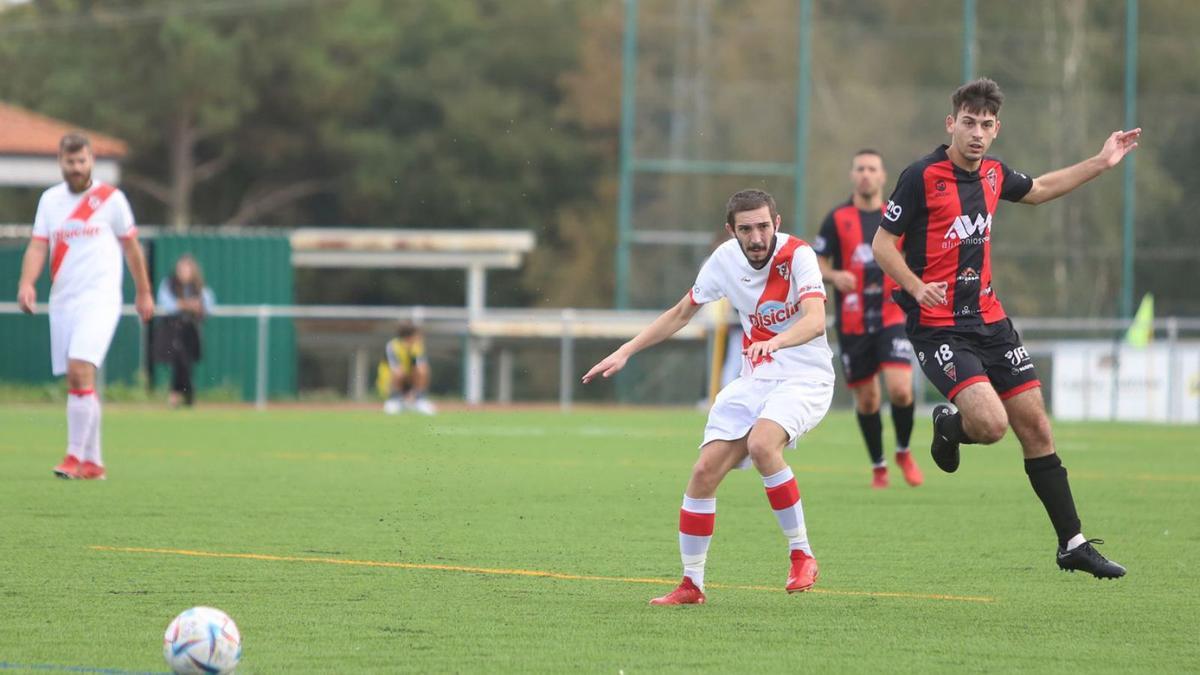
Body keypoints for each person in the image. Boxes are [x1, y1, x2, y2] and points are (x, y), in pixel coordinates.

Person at [872, 78, 1139, 578]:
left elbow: (1039, 190)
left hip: (991, 322)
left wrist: (1102, 162)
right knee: (991, 427)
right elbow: (883, 244)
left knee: (1036, 426)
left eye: (986, 125)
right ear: (951, 123)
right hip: (938, 327)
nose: (976, 133)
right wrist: (913, 285)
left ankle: (1072, 543)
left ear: (997, 130)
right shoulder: (920, 175)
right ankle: (949, 425)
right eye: (968, 123)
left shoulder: (994, 175)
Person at [583, 189, 834, 605]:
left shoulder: (798, 256)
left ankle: (801, 554)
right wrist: (626, 351)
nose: (756, 237)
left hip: (805, 377)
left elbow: (814, 321)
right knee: (703, 473)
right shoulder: (723, 261)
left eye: (764, 226)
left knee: (762, 443)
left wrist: (775, 343)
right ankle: (692, 584)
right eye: (746, 229)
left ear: (777, 222)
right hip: (755, 379)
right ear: (730, 231)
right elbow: (681, 313)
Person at [16, 132, 154, 480]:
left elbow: (132, 249)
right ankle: (94, 462)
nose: (76, 168)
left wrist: (144, 292)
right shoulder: (50, 201)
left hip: (100, 299)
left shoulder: (111, 199)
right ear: (60, 163)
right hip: (64, 301)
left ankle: (73, 457)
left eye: (81, 161)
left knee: (80, 368)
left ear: (91, 161)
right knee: (79, 380)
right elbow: (37, 246)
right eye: (70, 162)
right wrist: (27, 283)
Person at [814, 150, 923, 489]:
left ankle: (903, 451)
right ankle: (879, 465)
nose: (865, 174)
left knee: (901, 390)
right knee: (868, 400)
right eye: (859, 168)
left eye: (871, 169)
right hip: (853, 321)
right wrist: (834, 276)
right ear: (852, 175)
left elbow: (916, 255)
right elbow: (817, 262)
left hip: (892, 313)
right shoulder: (837, 218)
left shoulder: (896, 215)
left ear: (882, 176)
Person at [154, 254, 215, 407]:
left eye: (186, 269)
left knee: (186, 361)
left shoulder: (199, 287)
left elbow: (208, 305)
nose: (182, 273)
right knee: (178, 360)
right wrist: (186, 305)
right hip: (172, 329)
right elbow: (167, 304)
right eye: (180, 269)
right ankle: (182, 394)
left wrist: (191, 306)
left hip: (191, 330)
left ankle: (183, 394)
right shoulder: (169, 284)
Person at [378, 322, 436, 415]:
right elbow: (396, 369)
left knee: (423, 370)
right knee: (399, 373)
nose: (420, 337)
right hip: (390, 382)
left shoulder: (417, 346)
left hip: (408, 381)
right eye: (417, 335)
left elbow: (421, 367)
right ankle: (394, 400)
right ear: (409, 336)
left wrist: (413, 392)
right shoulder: (392, 346)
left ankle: (419, 400)